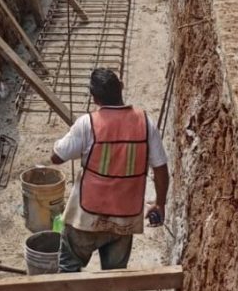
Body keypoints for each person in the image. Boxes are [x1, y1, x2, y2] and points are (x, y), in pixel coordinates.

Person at [50, 68, 169, 273]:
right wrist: (160, 203)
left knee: (68, 272)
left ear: (94, 98)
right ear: (121, 88)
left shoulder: (87, 124)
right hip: (124, 218)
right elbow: (161, 169)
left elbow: (57, 157)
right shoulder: (145, 123)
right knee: (116, 277)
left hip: (86, 217)